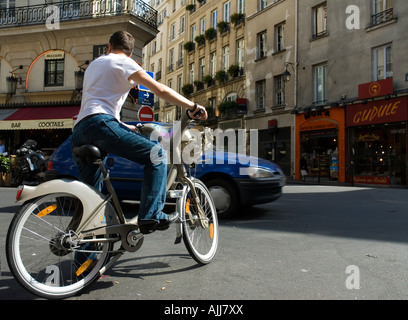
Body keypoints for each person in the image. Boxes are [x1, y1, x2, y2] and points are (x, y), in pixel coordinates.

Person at [71, 31, 207, 234]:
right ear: (130, 52)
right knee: (157, 155)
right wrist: (192, 105)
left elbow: (98, 105)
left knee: (92, 198)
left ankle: (84, 255)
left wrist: (128, 127)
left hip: (81, 129)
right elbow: (160, 89)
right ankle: (151, 216)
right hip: (100, 123)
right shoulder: (124, 62)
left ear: (109, 46)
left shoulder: (95, 64)